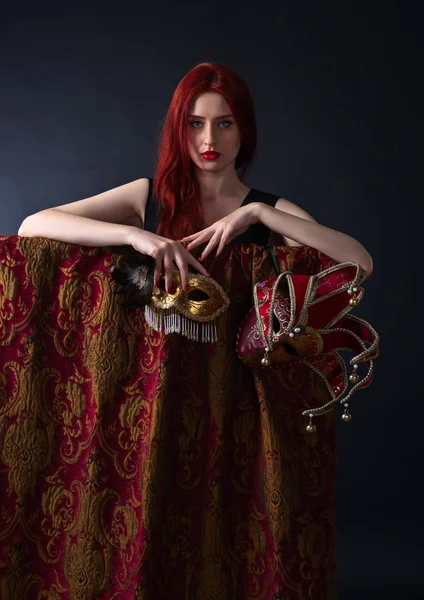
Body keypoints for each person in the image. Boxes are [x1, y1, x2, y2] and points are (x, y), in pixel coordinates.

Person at [16, 62, 373, 599]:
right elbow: (33, 227)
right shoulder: (149, 197)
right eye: (195, 124)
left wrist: (258, 219)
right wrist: (139, 238)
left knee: (232, 526)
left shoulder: (269, 210)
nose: (210, 139)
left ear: (244, 130)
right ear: (178, 129)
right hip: (159, 397)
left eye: (225, 123)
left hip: (240, 402)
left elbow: (358, 263)